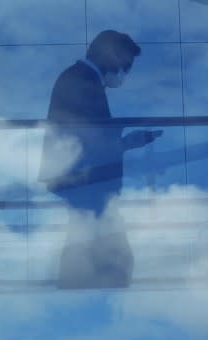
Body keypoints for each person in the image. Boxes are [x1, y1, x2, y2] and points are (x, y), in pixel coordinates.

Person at [39, 29, 161, 288]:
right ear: (109, 55)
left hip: (82, 181)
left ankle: (79, 293)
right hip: (86, 182)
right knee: (110, 257)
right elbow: (88, 142)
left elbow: (87, 139)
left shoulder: (81, 80)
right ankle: (83, 295)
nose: (125, 72)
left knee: (92, 248)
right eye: (125, 64)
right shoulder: (80, 81)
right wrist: (126, 143)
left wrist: (124, 142)